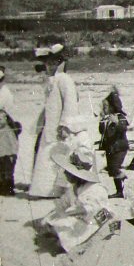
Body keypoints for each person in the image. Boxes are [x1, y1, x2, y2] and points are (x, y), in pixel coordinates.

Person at [35, 147, 111, 253]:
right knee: (50, 221)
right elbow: (64, 202)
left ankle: (64, 242)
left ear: (77, 175)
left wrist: (68, 214)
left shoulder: (95, 189)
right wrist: (57, 212)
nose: (65, 174)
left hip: (92, 220)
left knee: (64, 233)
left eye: (68, 172)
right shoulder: (74, 187)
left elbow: (89, 209)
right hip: (79, 215)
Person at [29, 44, 80, 198]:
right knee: (45, 156)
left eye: (53, 63)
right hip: (49, 125)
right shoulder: (52, 80)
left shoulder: (64, 79)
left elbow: (70, 104)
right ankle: (43, 190)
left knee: (57, 156)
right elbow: (48, 106)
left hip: (60, 127)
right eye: (47, 63)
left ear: (60, 63)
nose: (49, 66)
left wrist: (65, 125)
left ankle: (57, 190)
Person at [98, 88, 129, 198]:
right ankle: (119, 191)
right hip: (111, 148)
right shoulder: (107, 118)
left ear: (112, 107)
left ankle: (122, 179)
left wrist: (116, 123)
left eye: (105, 107)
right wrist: (102, 121)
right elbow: (102, 132)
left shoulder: (120, 117)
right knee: (111, 170)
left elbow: (124, 128)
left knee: (115, 168)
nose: (104, 109)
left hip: (120, 148)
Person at [0, 66, 20, 195]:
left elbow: (6, 112)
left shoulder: (4, 92)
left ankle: (6, 186)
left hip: (6, 128)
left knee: (6, 157)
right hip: (5, 126)